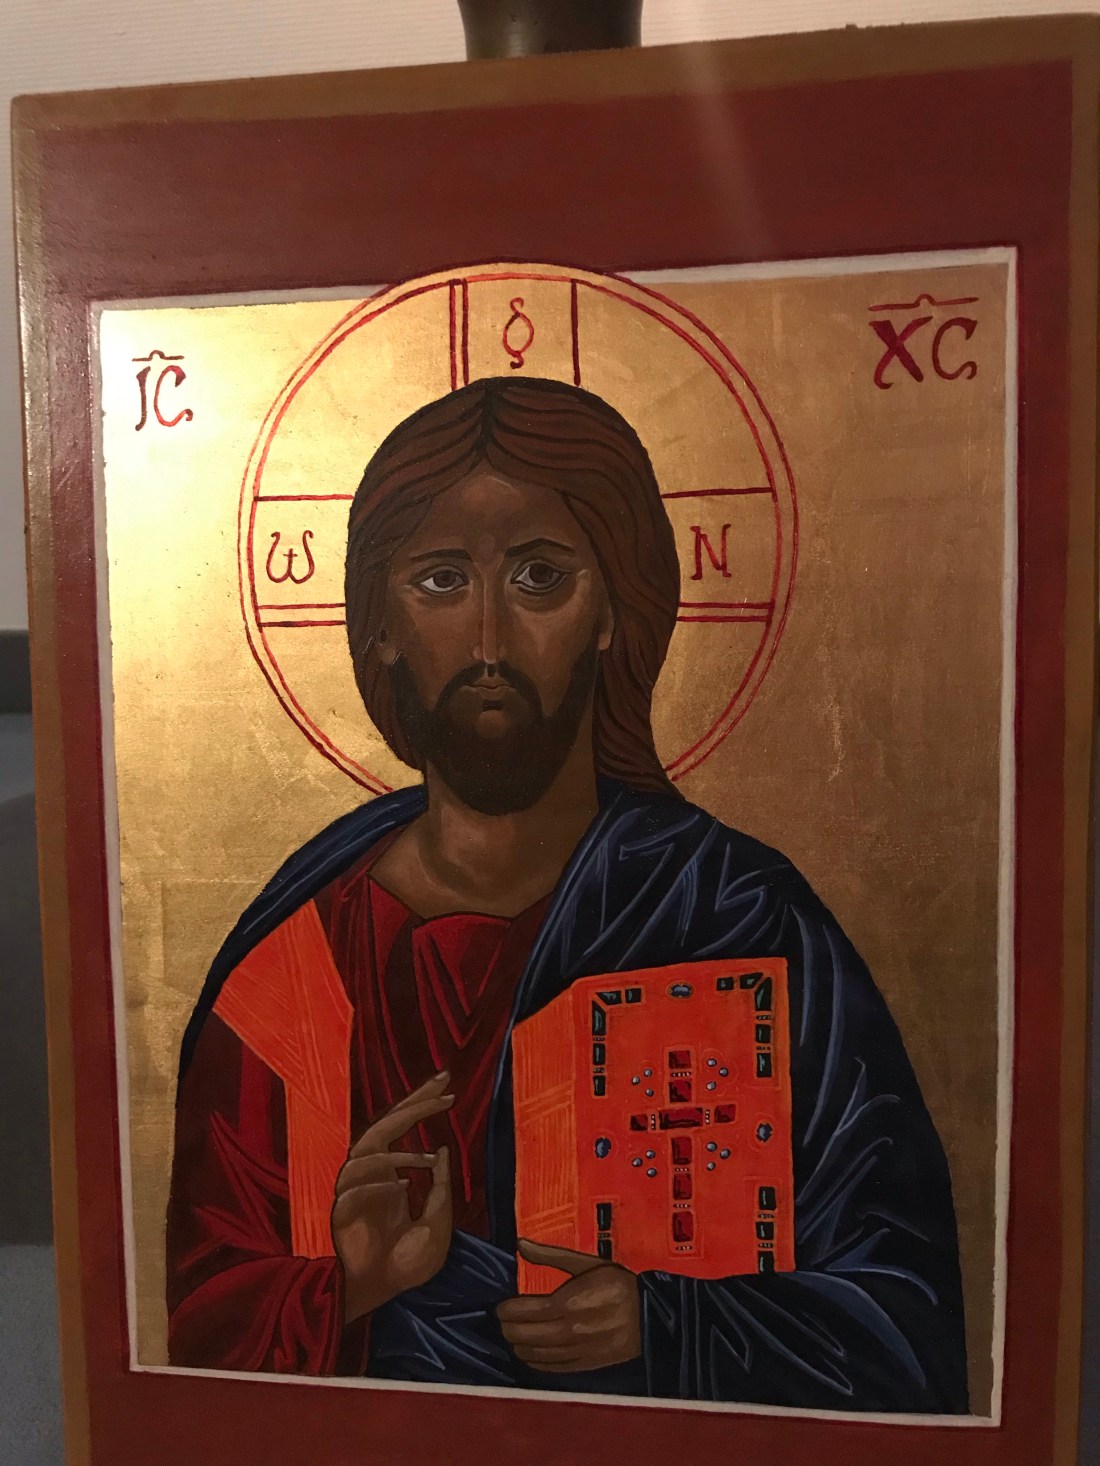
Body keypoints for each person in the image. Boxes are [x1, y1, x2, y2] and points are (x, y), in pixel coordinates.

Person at [166, 376, 969, 1411]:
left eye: (540, 577)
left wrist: (668, 1325)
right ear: (381, 626)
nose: (489, 641)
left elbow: (909, 1323)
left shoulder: (736, 922)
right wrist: (347, 1286)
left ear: (611, 612)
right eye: (440, 580)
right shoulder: (296, 962)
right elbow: (184, 1342)